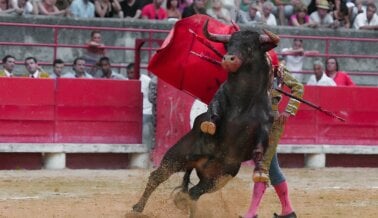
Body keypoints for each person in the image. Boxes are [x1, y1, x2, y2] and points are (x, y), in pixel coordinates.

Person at [244, 50, 303, 218]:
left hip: (273, 125)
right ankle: (288, 210)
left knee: (262, 166)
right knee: (272, 168)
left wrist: (288, 112)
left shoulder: (280, 72)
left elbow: (298, 88)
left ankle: (252, 213)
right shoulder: (254, 72)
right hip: (256, 123)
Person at [126, 63, 153, 151]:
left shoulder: (147, 80)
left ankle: (145, 148)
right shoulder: (127, 81)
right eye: (129, 73)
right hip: (134, 111)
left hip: (147, 111)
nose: (130, 75)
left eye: (132, 72)